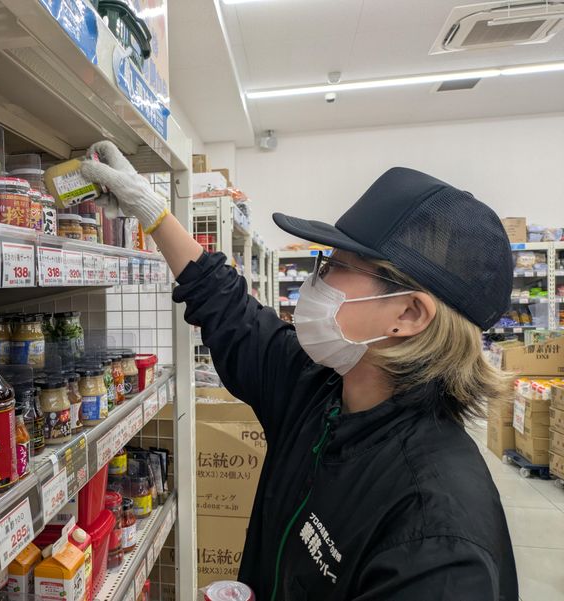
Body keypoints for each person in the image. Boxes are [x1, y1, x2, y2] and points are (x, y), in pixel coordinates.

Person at [82, 142, 518, 601]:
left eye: (336, 266)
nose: (315, 281)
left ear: (408, 314)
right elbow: (230, 310)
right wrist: (152, 212)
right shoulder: (324, 392)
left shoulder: (438, 534)